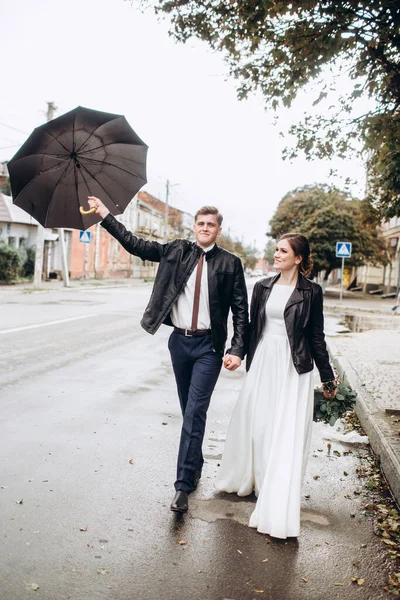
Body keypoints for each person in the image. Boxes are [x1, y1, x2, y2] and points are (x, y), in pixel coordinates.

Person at [87, 196, 249, 513]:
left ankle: (182, 487)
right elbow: (135, 244)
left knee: (194, 414)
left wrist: (237, 349)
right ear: (195, 227)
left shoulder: (230, 264)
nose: (205, 228)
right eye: (200, 223)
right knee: (188, 409)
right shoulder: (176, 250)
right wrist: (106, 214)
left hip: (209, 348)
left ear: (218, 230)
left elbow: (240, 311)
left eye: (211, 225)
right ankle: (195, 462)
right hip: (179, 343)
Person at [216, 233, 337, 539]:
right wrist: (237, 353)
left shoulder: (312, 292)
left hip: (292, 366)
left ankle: (275, 488)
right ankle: (253, 478)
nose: (277, 253)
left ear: (298, 258)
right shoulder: (262, 286)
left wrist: (327, 376)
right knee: (257, 426)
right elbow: (249, 326)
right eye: (276, 249)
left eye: (283, 250)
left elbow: (316, 337)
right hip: (264, 362)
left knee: (282, 430)